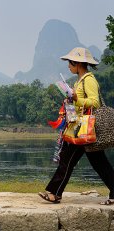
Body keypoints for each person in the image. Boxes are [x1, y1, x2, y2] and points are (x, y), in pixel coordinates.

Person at [38, 47, 114, 205]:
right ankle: (55, 192)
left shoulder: (89, 80)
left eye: (70, 63)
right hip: (79, 127)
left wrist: (76, 98)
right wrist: (70, 101)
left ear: (78, 63)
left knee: (68, 159)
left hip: (85, 129)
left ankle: (54, 193)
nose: (68, 66)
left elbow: (95, 102)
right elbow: (80, 103)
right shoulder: (79, 81)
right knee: (98, 163)